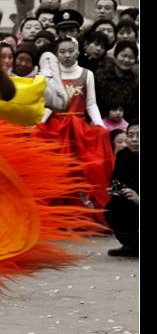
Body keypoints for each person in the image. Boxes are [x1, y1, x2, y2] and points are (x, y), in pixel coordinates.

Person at [34, 36, 113, 210]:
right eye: (62, 52)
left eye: (71, 51)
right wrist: (39, 124)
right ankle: (56, 208)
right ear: (56, 54)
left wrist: (99, 125)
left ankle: (80, 207)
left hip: (78, 129)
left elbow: (91, 104)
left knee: (81, 169)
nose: (67, 55)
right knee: (57, 169)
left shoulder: (87, 74)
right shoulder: (51, 75)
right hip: (56, 127)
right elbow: (48, 104)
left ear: (77, 51)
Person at [104, 121, 138, 257]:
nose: (134, 139)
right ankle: (132, 245)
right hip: (129, 200)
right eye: (130, 135)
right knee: (112, 208)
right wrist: (115, 190)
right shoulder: (123, 155)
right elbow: (116, 177)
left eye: (139, 135)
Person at [95, 40, 138, 123]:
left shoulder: (134, 81)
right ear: (115, 56)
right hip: (100, 123)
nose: (126, 60)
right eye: (123, 56)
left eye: (131, 57)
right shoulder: (100, 75)